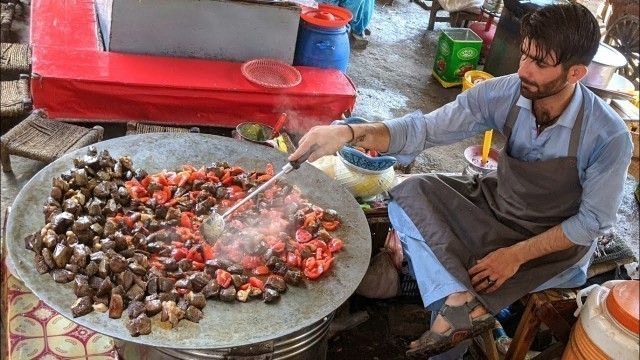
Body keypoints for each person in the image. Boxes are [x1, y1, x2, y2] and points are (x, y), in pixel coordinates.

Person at [289, 3, 633, 359]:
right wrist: (349, 132)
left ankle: (453, 328)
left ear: (575, 73)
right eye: (525, 55)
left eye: (539, 64)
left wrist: (514, 256)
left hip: (552, 244)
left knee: (457, 310)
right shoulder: (507, 92)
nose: (523, 70)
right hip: (499, 208)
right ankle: (457, 302)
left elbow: (592, 223)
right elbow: (425, 128)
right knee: (409, 192)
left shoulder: (609, 136)